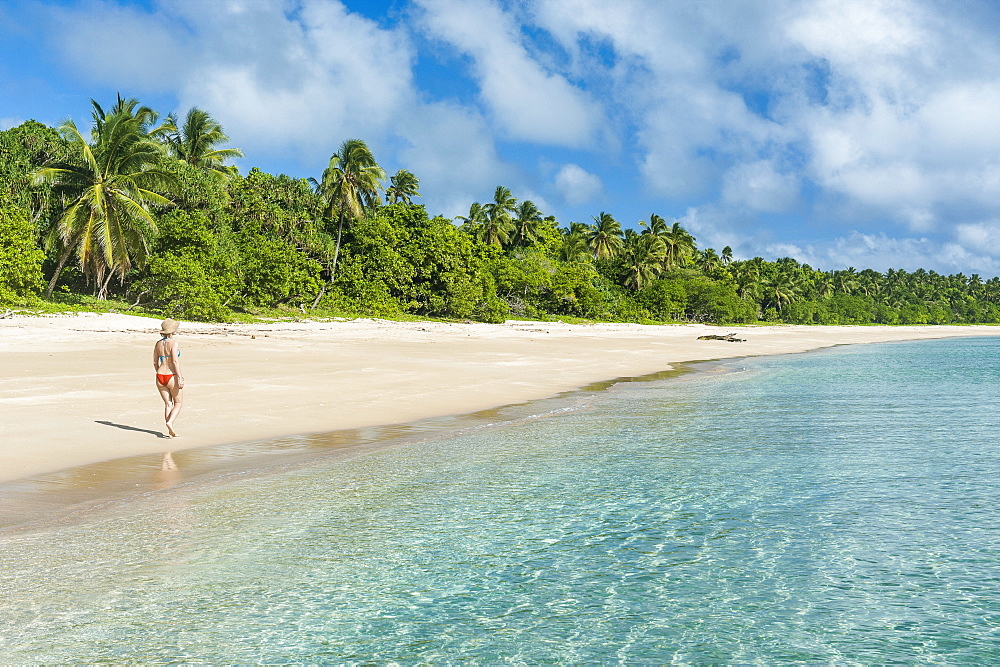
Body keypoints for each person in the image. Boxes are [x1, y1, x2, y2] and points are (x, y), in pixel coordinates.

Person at [153, 318, 184, 437]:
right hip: (171, 375)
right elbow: (175, 361)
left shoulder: (158, 344)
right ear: (173, 331)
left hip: (160, 375)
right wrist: (180, 377)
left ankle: (169, 431)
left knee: (168, 404)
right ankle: (170, 422)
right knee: (178, 403)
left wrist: (159, 373)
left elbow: (155, 362)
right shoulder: (174, 343)